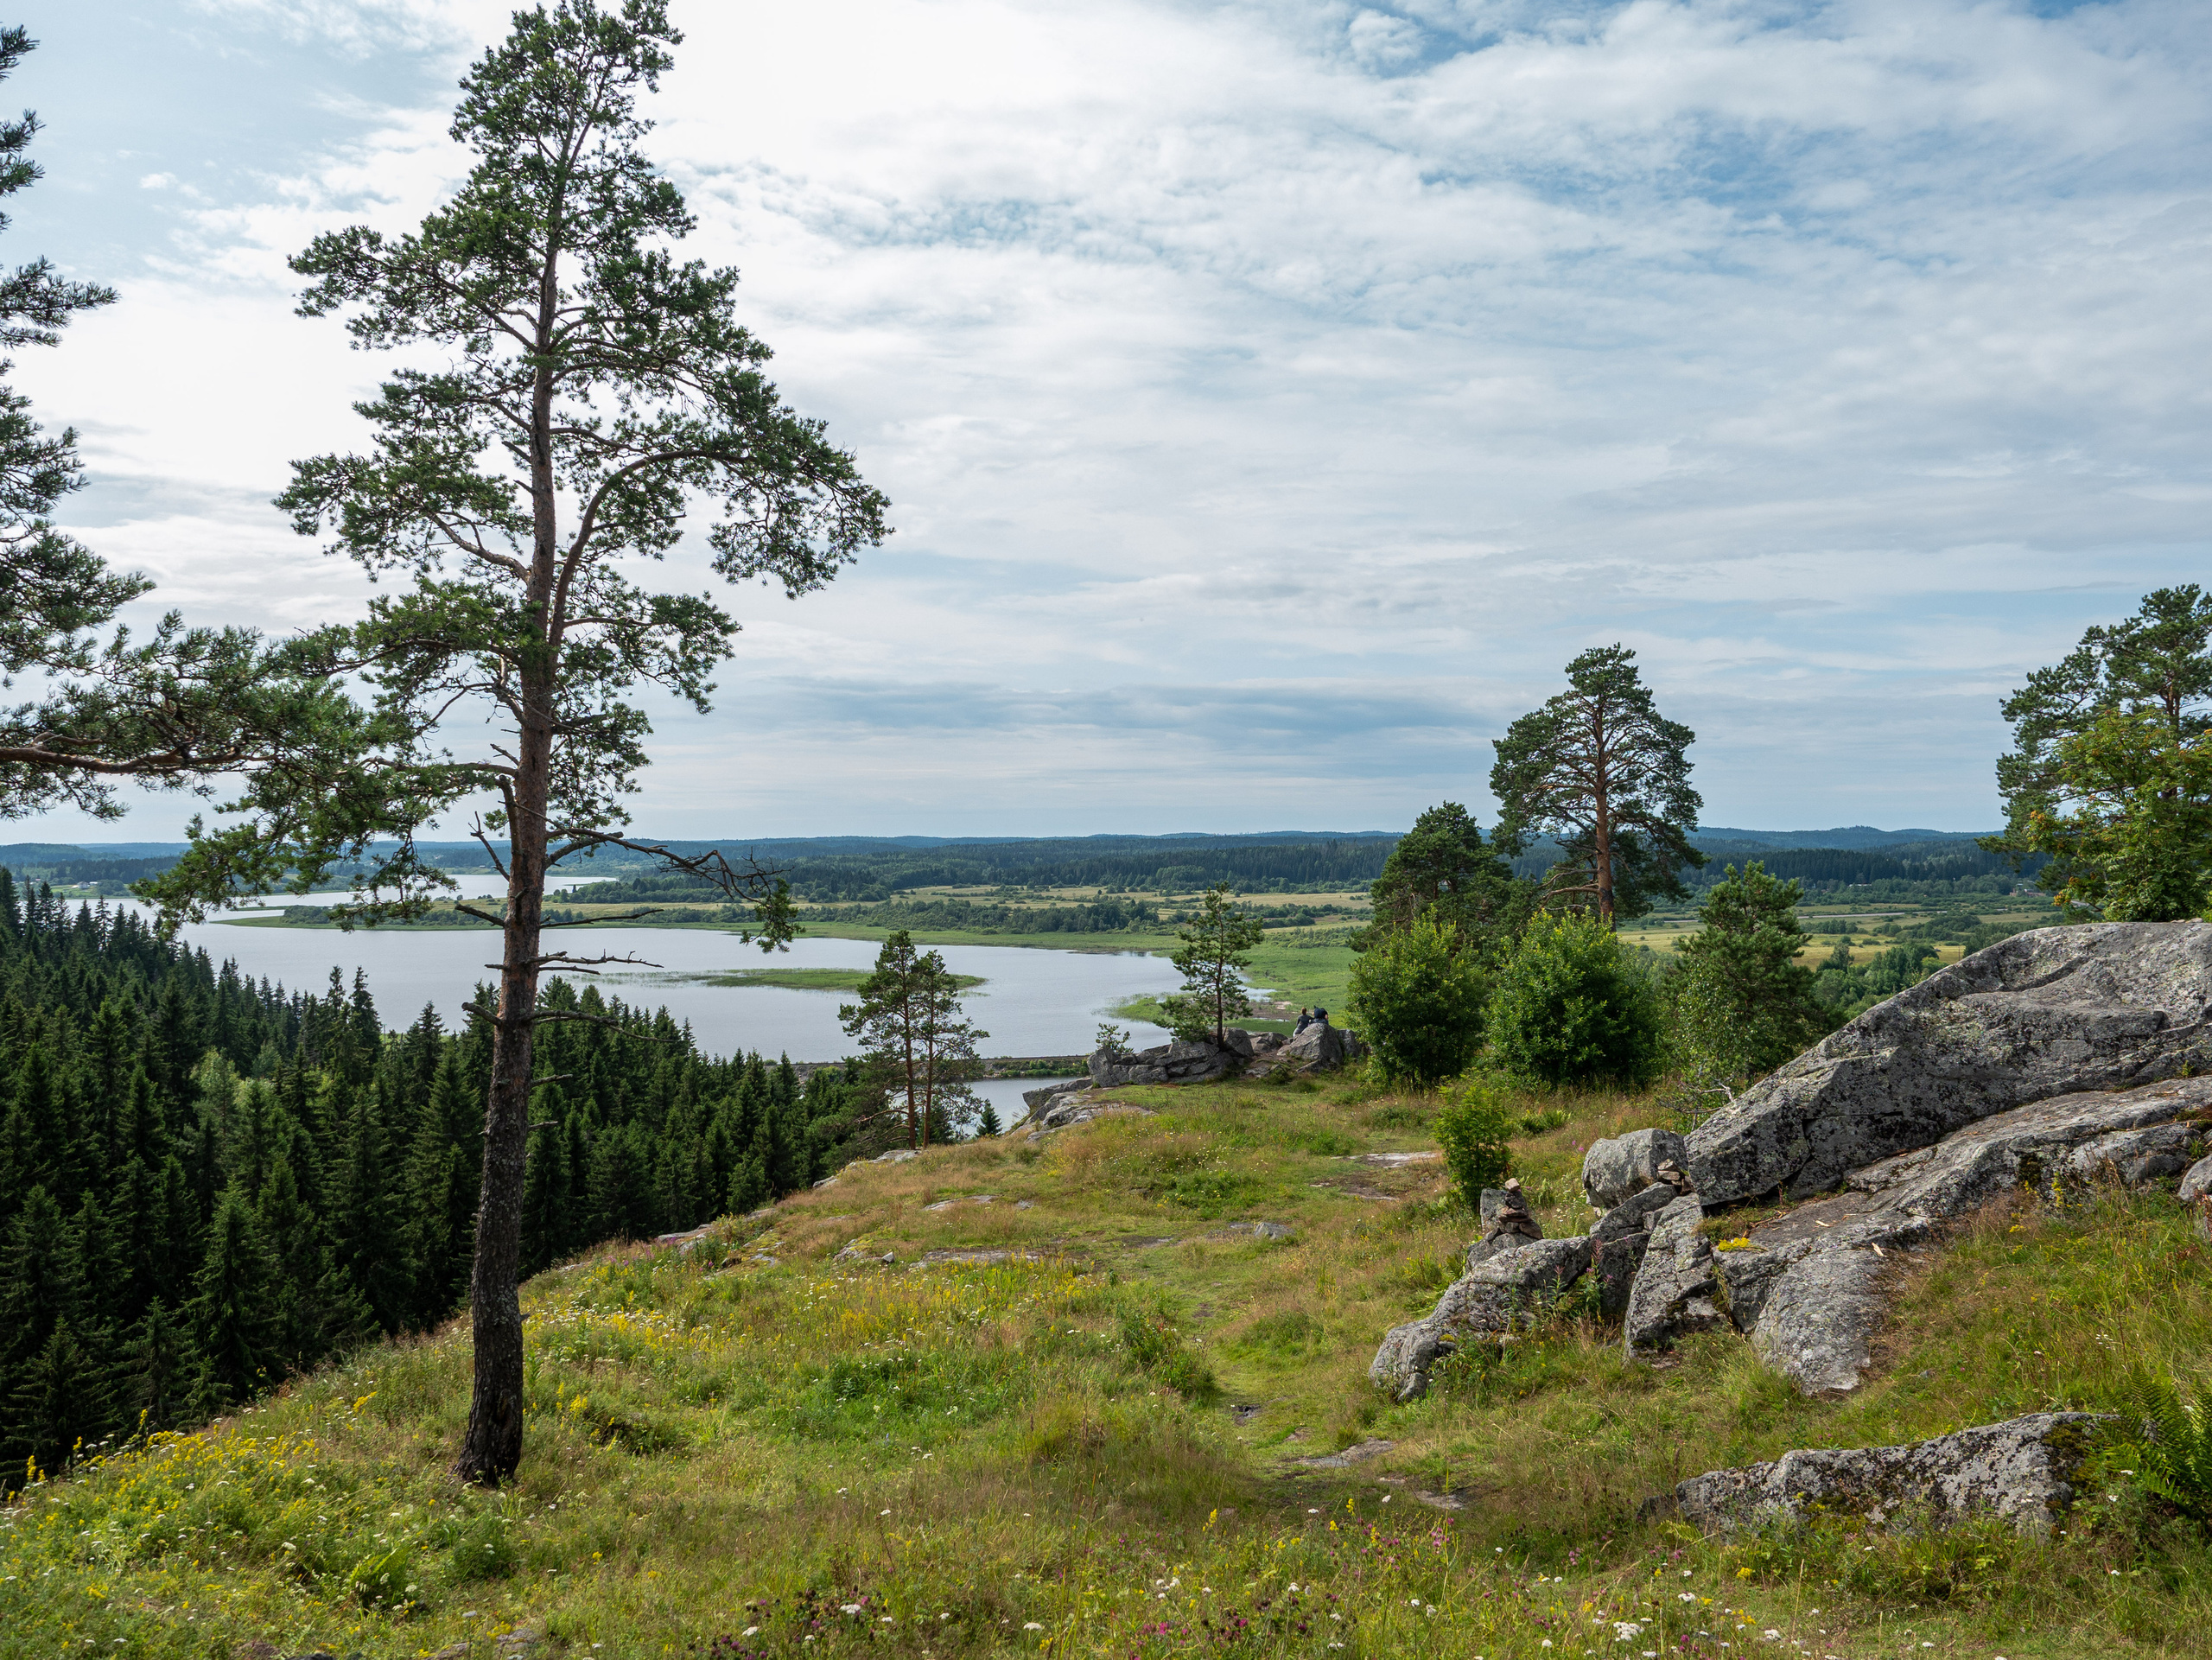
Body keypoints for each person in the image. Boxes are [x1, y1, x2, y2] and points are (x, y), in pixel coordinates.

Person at [1481, 1177, 1544, 1244]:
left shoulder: (1516, 1196)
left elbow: (1522, 1210)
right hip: (1514, 1219)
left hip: (1519, 1219)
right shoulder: (1511, 1196)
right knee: (1506, 1221)